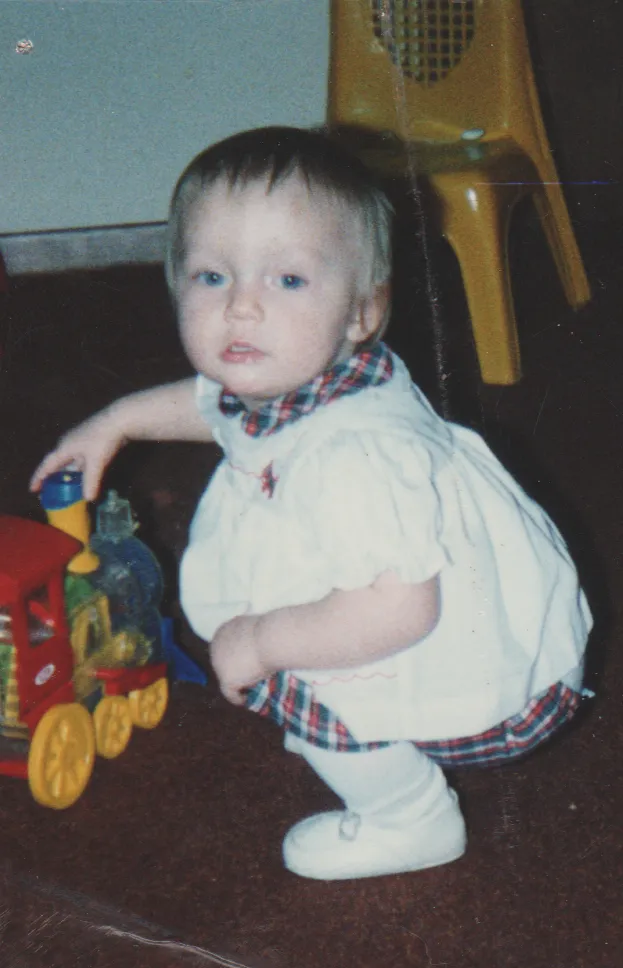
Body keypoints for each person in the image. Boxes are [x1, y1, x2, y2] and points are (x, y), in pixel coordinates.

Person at [31, 127, 592, 881]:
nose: (241, 309)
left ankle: (410, 818)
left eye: (287, 280)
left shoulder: (353, 462)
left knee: (317, 675)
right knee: (310, 641)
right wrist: (117, 422)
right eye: (210, 277)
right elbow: (214, 407)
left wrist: (262, 642)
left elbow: (397, 612)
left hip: (444, 648)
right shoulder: (314, 372)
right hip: (406, 595)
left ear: (361, 313)